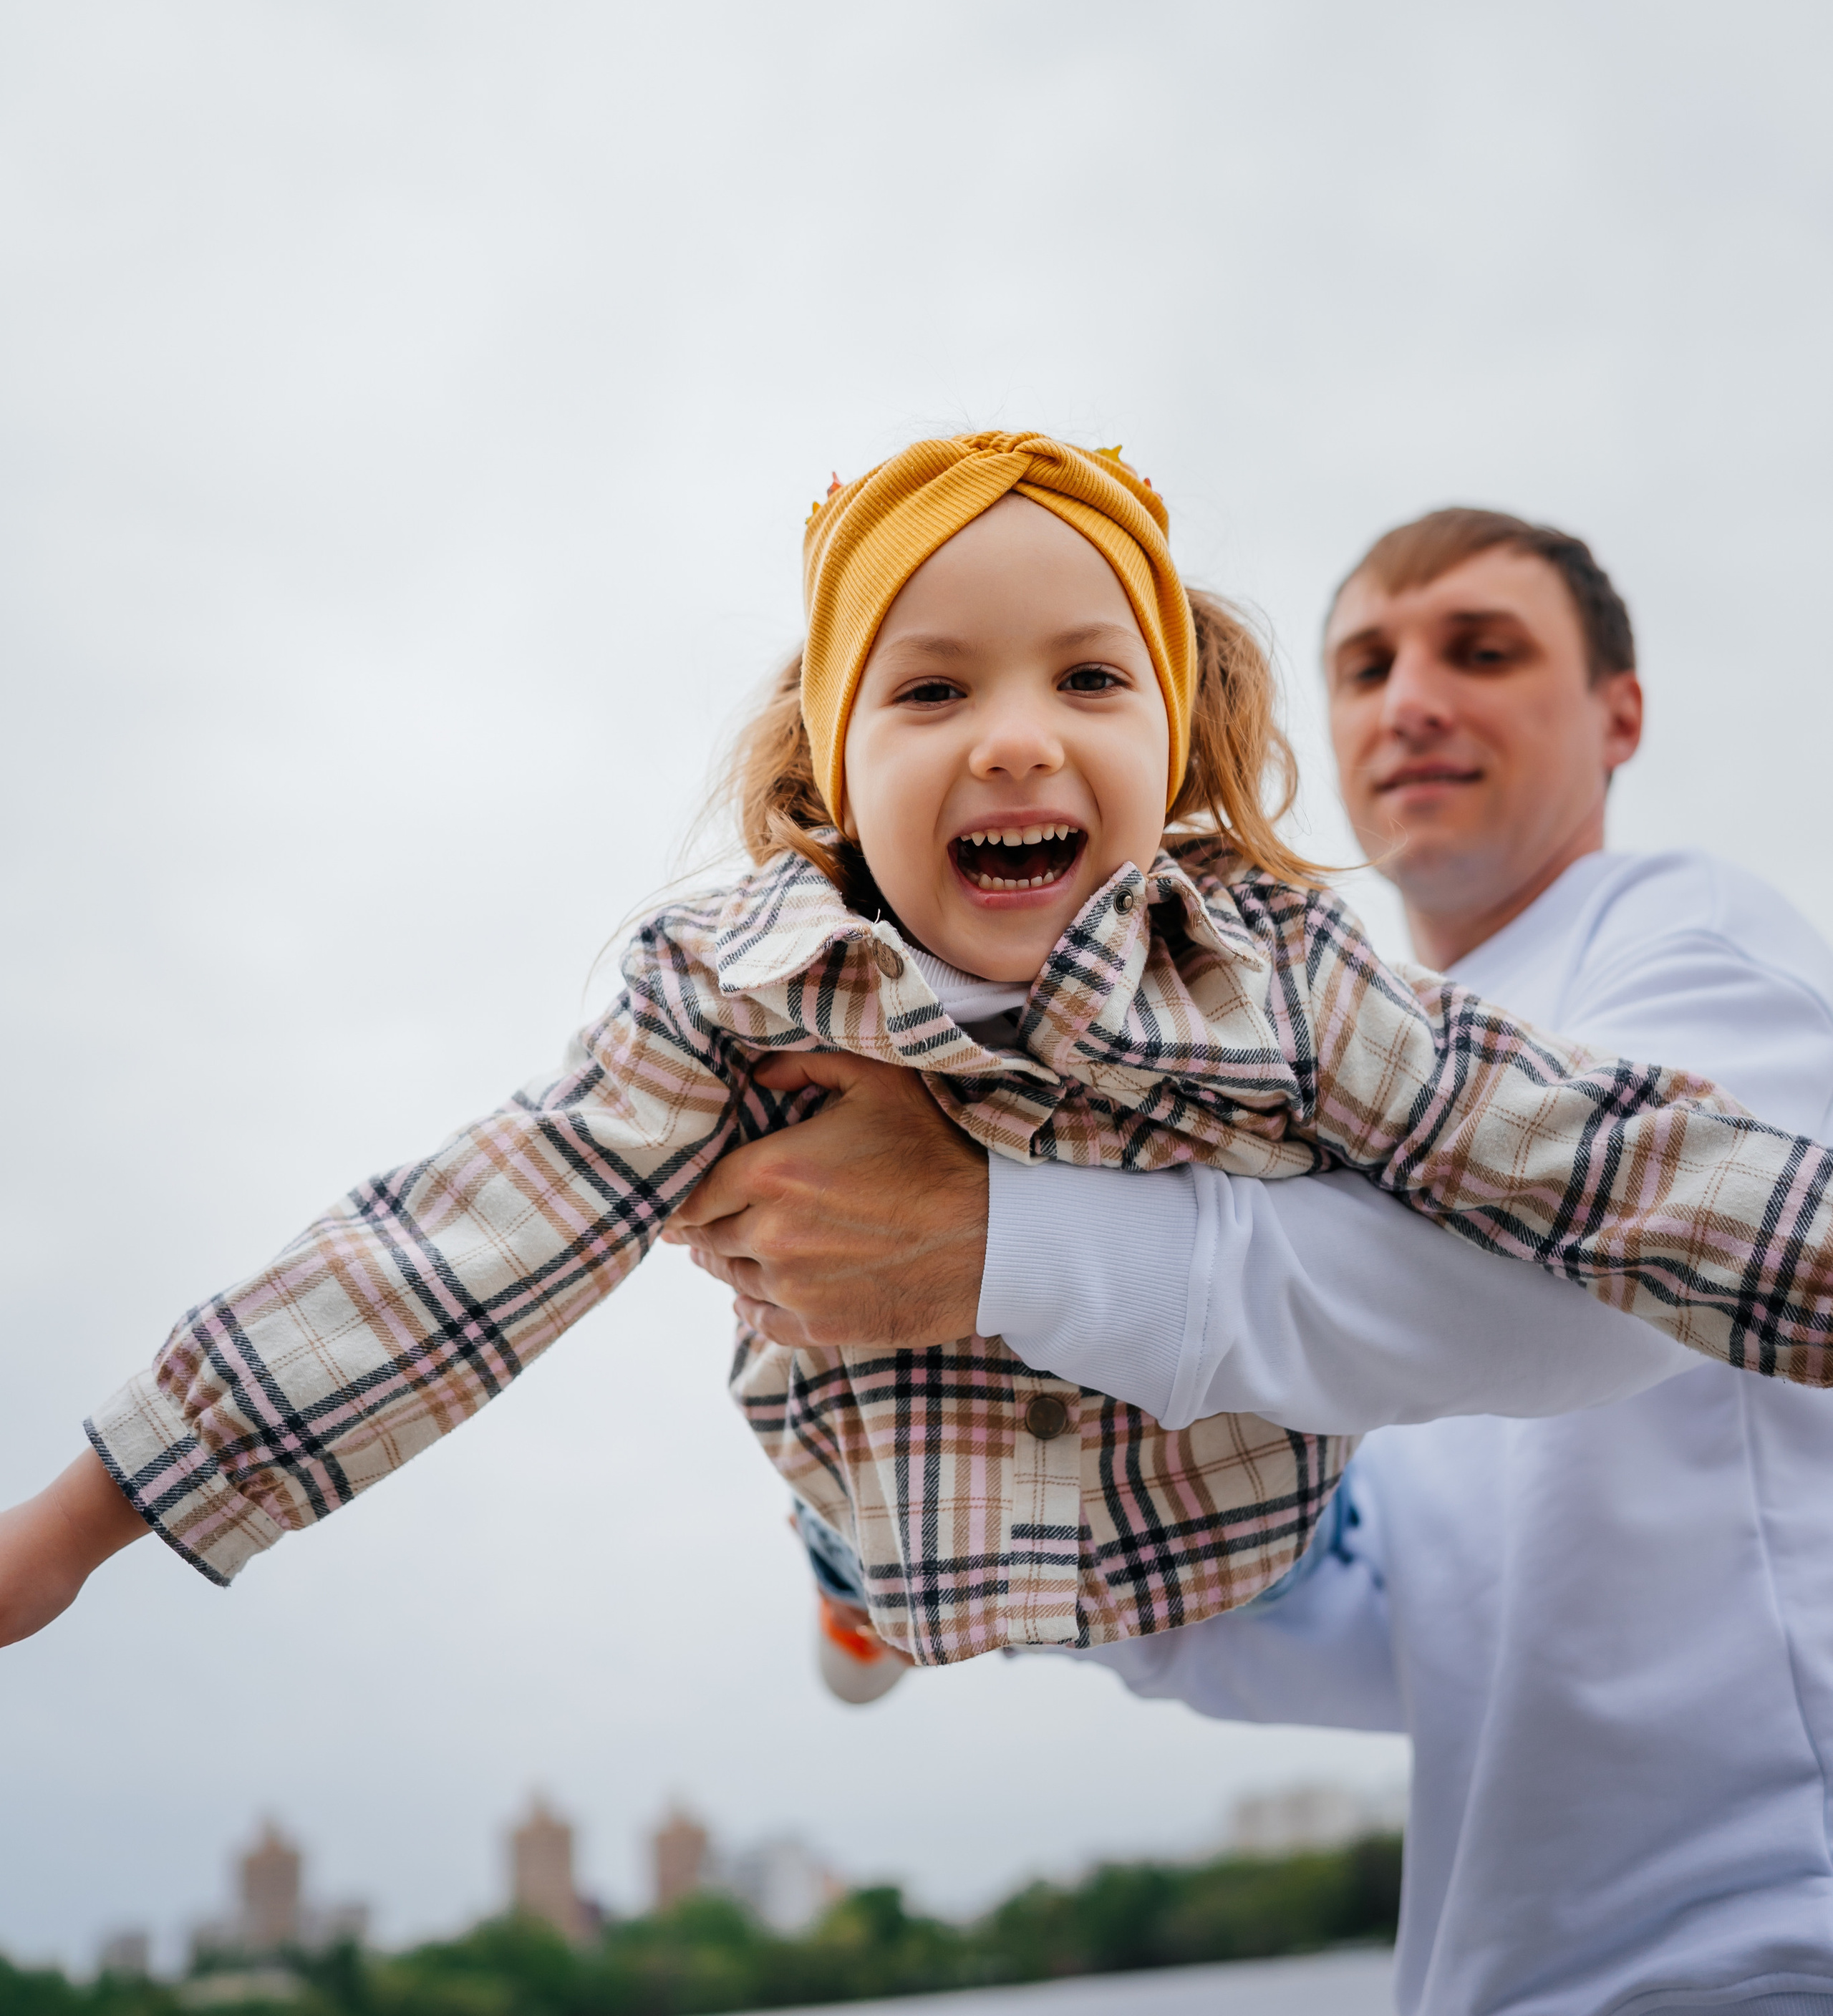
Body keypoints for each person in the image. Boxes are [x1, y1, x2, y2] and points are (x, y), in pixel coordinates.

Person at [1, 447, 1829, 1718]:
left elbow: (1575, 1155)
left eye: (1088, 680)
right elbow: (455, 1252)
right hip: (893, 1520)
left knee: (1430, 1165)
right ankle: (843, 1600)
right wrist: (80, 1524)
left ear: (1172, 741)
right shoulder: (734, 995)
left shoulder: (1268, 967)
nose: (1017, 736)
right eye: (932, 690)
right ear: (829, 768)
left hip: (1234, 1528)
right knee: (826, 1521)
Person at [678, 507, 1833, 2016]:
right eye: (1364, 667)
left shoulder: (1685, 939)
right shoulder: (1304, 1088)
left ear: (1618, 714)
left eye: (1481, 653)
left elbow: (1631, 1289)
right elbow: (1375, 1614)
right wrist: (982, 1491)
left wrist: (992, 1240)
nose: (1410, 701)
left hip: (1763, 1946)